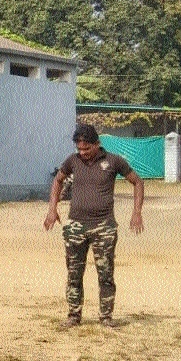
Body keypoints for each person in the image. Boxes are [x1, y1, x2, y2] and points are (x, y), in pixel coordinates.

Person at [43, 124, 144, 328]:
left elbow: (137, 182)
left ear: (97, 144)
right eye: (79, 149)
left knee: (105, 274)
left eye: (87, 149)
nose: (83, 153)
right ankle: (73, 316)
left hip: (104, 227)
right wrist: (52, 209)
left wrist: (137, 212)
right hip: (76, 227)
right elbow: (58, 181)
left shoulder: (114, 161)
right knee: (73, 273)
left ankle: (106, 317)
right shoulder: (72, 161)